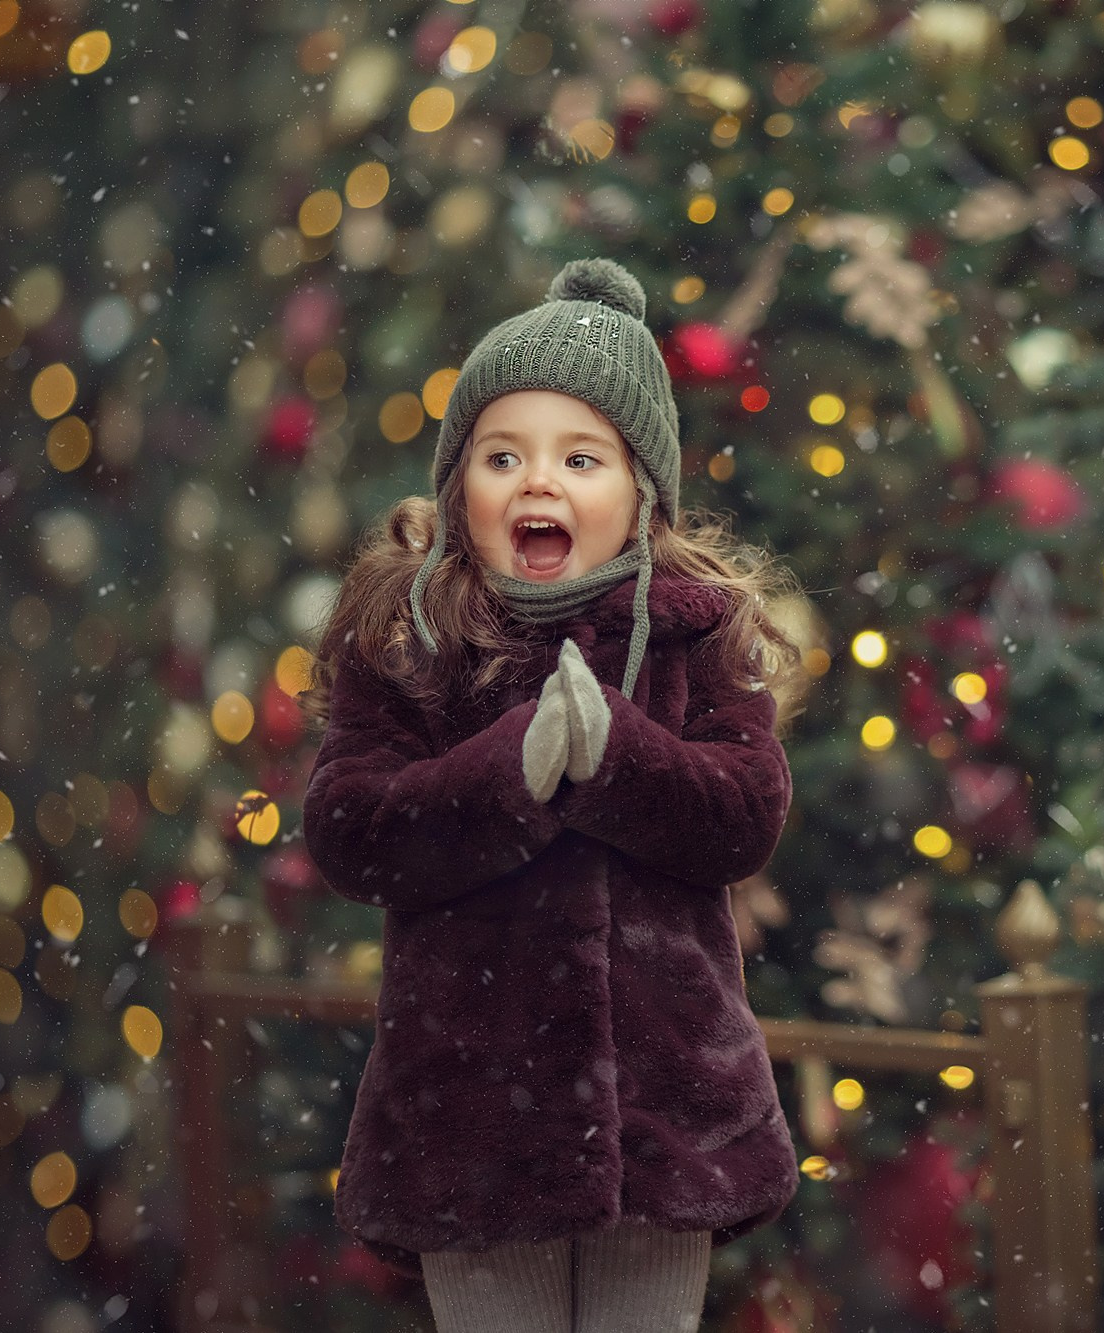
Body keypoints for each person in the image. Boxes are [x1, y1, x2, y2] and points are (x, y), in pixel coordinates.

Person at [299, 257, 806, 1333]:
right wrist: (508, 772)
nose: (538, 482)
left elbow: (744, 812)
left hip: (666, 1109)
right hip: (473, 1118)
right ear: (459, 489)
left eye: (580, 457)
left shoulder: (696, 635)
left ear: (641, 493)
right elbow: (351, 829)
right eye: (502, 456)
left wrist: (618, 755)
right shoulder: (411, 639)